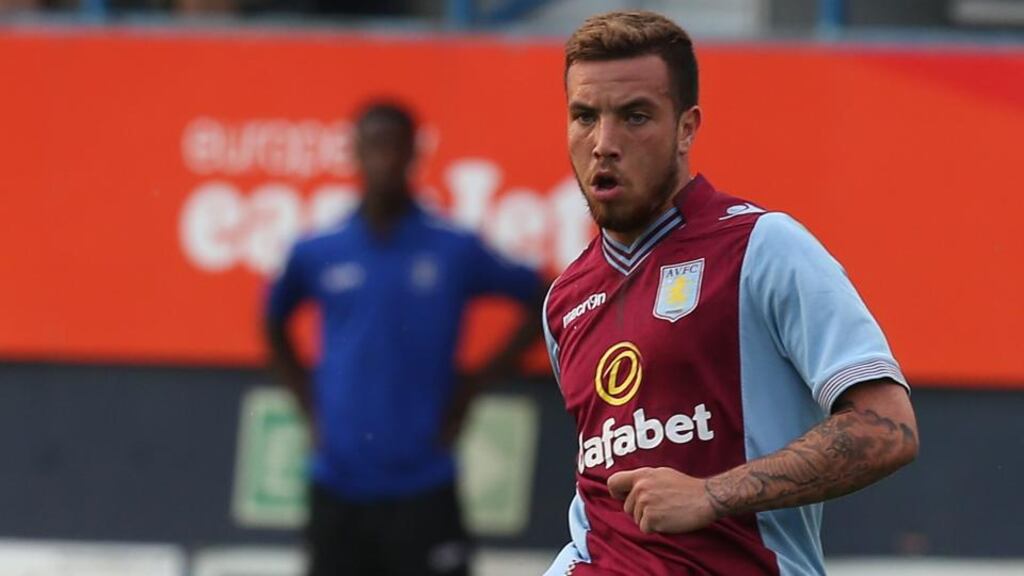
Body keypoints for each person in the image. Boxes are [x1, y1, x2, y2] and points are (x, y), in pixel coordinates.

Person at [541, 11, 919, 576]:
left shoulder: (763, 247)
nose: (604, 143)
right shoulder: (564, 302)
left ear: (686, 129)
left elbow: (887, 428)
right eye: (584, 117)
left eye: (635, 116)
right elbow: (596, 498)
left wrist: (711, 495)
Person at [265, 101, 544, 576]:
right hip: (338, 483)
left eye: (395, 147)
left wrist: (474, 385)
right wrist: (308, 404)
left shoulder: (453, 247)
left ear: (415, 154)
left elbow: (541, 300)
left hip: (423, 481)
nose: (384, 159)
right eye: (374, 146)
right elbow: (273, 321)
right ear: (354, 153)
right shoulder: (318, 250)